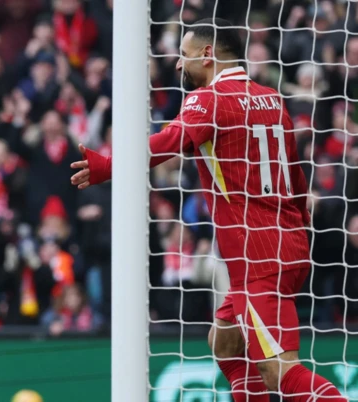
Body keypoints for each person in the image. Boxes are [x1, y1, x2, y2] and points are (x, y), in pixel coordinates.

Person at [71, 18, 346, 402]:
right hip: (287, 240)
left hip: (256, 254)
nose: (178, 65)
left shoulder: (207, 99)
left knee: (278, 370)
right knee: (226, 344)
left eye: (183, 56)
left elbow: (169, 140)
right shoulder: (271, 97)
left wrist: (108, 166)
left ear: (207, 55)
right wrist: (298, 222)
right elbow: (295, 174)